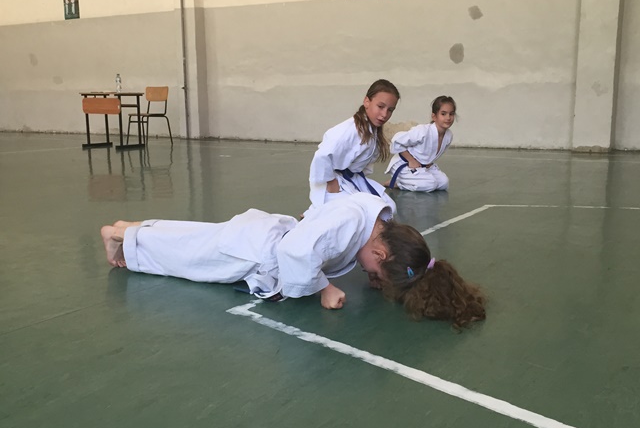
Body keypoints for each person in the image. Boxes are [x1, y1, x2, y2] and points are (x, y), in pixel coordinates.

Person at [100, 193, 485, 327]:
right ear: (381, 253)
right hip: (255, 252)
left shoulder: (377, 218)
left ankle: (128, 227)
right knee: (183, 257)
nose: (374, 278)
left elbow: (331, 215)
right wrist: (324, 288)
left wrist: (368, 269)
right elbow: (294, 253)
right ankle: (123, 237)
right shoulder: (351, 227)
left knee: (194, 236)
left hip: (262, 232)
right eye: (378, 274)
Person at [307, 79, 400, 215]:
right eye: (380, 106)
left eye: (390, 110)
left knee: (389, 207)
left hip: (352, 180)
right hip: (332, 184)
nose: (384, 114)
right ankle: (316, 212)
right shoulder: (349, 130)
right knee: (360, 214)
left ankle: (322, 211)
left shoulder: (371, 130)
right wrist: (332, 183)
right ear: (367, 101)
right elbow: (321, 157)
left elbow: (363, 165)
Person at [384, 95, 456, 192]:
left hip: (422, 166)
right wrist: (411, 160)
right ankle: (399, 182)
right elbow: (396, 141)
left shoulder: (448, 135)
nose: (448, 118)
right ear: (434, 116)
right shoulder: (423, 131)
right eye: (443, 114)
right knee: (430, 184)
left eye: (451, 114)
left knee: (444, 183)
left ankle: (410, 180)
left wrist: (428, 161)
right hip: (405, 164)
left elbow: (431, 153)